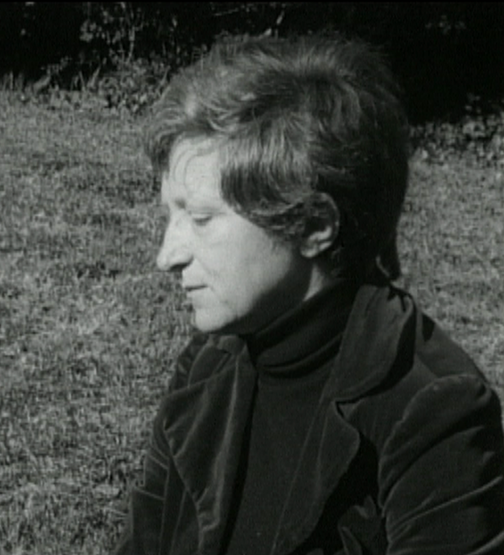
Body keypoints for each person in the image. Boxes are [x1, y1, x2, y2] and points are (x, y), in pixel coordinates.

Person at [113, 34, 504, 555]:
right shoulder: (207, 367)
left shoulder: (432, 413)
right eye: (171, 215)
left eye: (202, 219)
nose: (168, 255)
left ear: (315, 225)